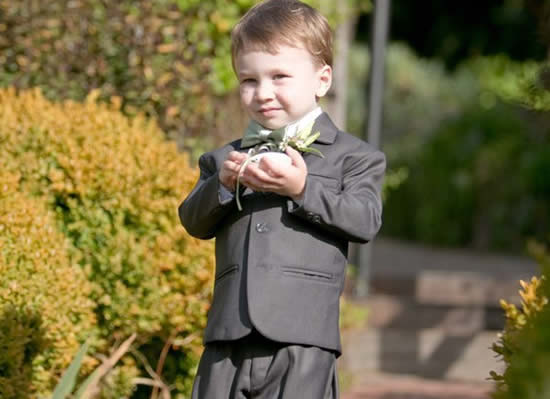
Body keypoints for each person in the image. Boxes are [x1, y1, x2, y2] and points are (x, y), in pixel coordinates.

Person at [179, 0, 386, 397]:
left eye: (279, 77)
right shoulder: (225, 158)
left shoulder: (355, 157)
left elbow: (364, 219)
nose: (263, 93)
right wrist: (223, 185)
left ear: (322, 80)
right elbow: (192, 220)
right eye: (249, 81)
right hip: (228, 337)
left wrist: (302, 189)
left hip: (303, 338)